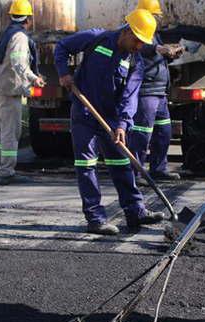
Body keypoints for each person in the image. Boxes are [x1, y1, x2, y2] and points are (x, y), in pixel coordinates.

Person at [54, 9, 165, 235]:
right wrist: (64, 72)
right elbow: (62, 47)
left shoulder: (136, 63)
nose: (139, 46)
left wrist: (123, 124)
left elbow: (130, 98)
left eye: (143, 42)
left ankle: (135, 212)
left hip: (111, 118)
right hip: (84, 113)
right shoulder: (96, 38)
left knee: (121, 163)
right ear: (127, 31)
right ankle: (95, 218)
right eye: (137, 40)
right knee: (86, 166)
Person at [0, 0, 45, 185]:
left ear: (11, 16)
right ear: (29, 19)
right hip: (8, 91)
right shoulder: (20, 37)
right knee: (10, 132)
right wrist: (34, 79)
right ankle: (6, 171)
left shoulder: (6, 34)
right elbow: (18, 63)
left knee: (0, 128)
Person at [127, 0, 182, 186]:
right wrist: (159, 49)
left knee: (164, 132)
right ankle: (136, 172)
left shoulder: (153, 33)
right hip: (146, 91)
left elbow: (155, 53)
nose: (159, 19)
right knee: (142, 134)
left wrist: (170, 53)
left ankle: (158, 169)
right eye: (156, 15)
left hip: (159, 93)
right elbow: (143, 48)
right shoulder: (137, 31)